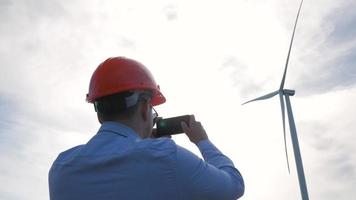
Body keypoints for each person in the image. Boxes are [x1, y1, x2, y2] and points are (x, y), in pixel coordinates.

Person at [48, 57, 244, 200]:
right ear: (144, 107)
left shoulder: (61, 168)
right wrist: (202, 141)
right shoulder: (166, 157)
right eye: (152, 110)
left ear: (99, 114)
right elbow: (234, 185)